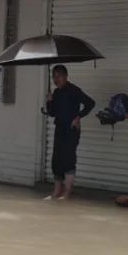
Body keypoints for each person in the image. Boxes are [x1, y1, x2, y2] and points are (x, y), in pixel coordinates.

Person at [43, 64, 95, 200]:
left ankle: (67, 192)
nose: (56, 79)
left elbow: (90, 103)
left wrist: (78, 117)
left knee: (68, 160)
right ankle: (56, 191)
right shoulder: (56, 93)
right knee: (57, 161)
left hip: (71, 130)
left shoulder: (74, 90)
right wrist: (49, 102)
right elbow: (53, 113)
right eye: (53, 76)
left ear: (66, 76)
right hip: (59, 129)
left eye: (58, 76)